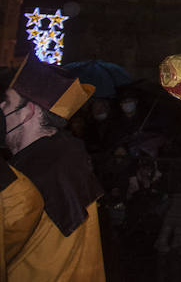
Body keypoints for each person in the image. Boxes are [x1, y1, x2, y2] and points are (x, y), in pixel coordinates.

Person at [3, 57, 105, 280]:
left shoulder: (32, 170)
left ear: (29, 111)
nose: (0, 109)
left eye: (6, 102)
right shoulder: (67, 153)